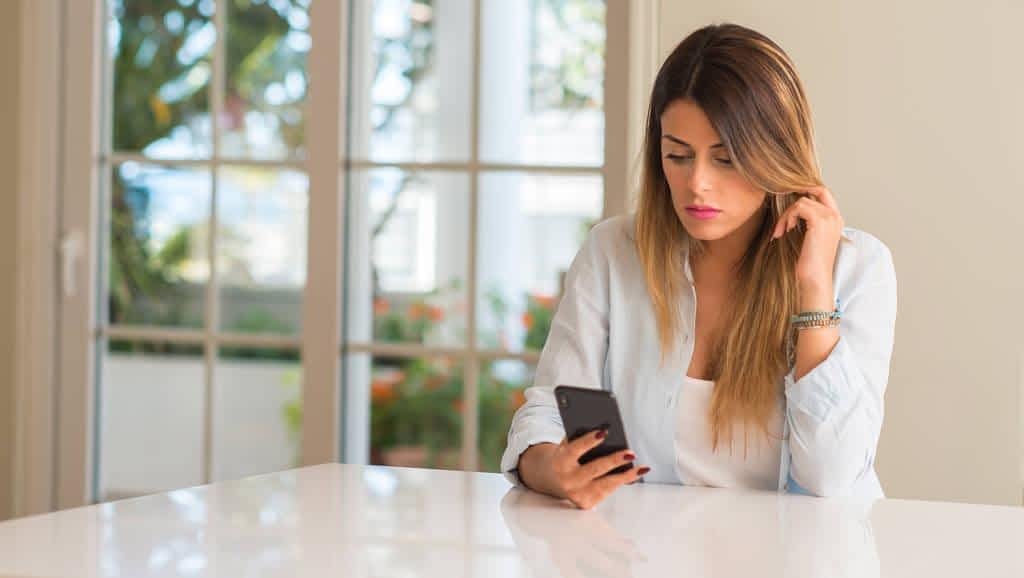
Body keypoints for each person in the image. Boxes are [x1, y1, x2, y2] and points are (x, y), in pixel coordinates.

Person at [500, 22, 898, 509]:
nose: (697, 185)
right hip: (645, 553)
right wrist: (550, 468)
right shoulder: (614, 251)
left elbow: (831, 479)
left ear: (774, 155)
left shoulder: (856, 267)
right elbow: (550, 410)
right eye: (678, 155)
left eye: (726, 159)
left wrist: (813, 289)